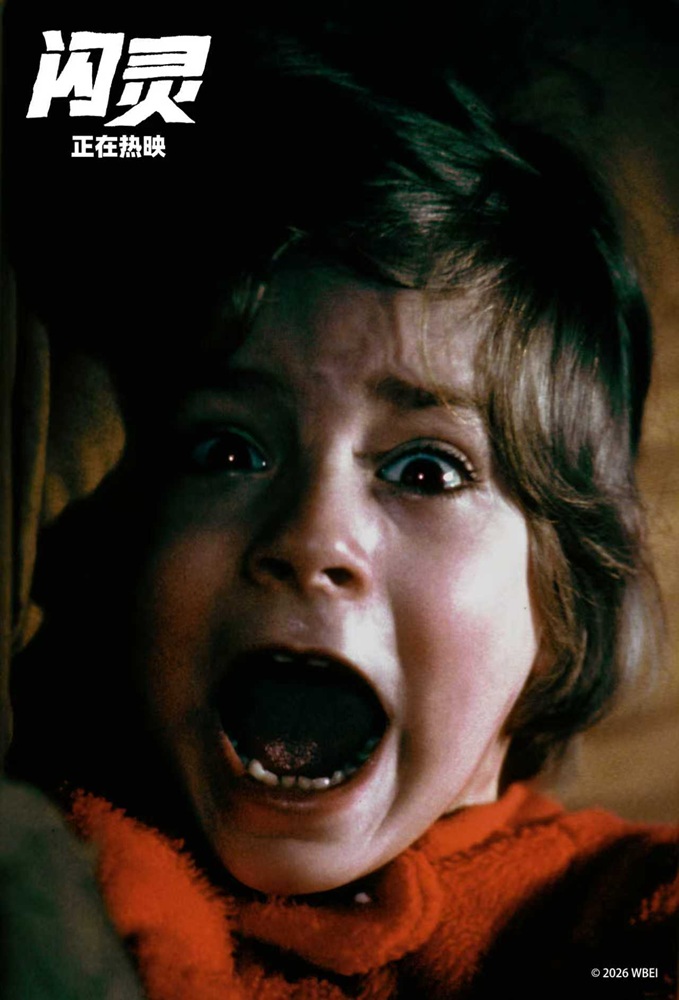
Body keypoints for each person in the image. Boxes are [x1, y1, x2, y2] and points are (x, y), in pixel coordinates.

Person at [5, 22, 678, 999]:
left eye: (426, 471)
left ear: (562, 611)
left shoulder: (611, 923)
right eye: (228, 452)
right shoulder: (64, 863)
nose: (310, 538)